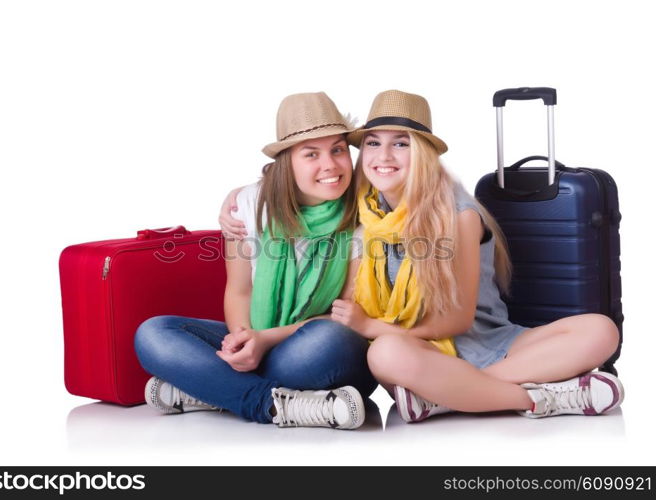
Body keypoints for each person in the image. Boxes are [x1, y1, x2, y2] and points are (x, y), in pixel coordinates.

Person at [330, 89, 624, 422]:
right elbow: (352, 305)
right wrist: (364, 324)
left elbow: (457, 321)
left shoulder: (458, 213)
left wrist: (371, 325)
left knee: (602, 331)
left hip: (494, 344)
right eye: (373, 143)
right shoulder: (365, 215)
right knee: (383, 355)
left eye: (401, 143)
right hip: (423, 352)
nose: (383, 156)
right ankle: (541, 397)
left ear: (424, 152)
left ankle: (444, 397)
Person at [134, 92, 377, 430]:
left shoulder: (364, 215)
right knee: (154, 333)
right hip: (261, 340)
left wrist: (265, 342)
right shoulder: (249, 205)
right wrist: (243, 341)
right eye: (311, 153)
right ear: (287, 160)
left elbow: (344, 315)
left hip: (318, 349)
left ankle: (211, 391)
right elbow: (240, 291)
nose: (330, 165)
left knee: (327, 342)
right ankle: (278, 405)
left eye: (337, 149)